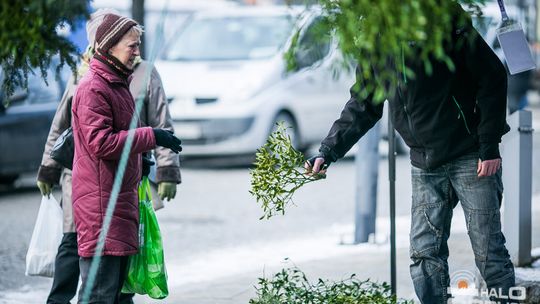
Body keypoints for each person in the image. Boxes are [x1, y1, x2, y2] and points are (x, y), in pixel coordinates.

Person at [305, 6, 515, 304]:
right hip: (424, 162)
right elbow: (364, 103)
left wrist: (489, 146)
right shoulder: (373, 39)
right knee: (423, 254)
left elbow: (493, 76)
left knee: (488, 251)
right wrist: (328, 151)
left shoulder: (443, 19)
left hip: (471, 156)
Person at [37, 9, 182, 304]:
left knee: (118, 296)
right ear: (109, 46)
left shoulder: (120, 81)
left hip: (119, 206)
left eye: (138, 45)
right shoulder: (93, 86)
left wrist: (151, 163)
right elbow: (100, 143)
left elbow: (128, 132)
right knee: (99, 295)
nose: (137, 51)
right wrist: (152, 137)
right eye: (131, 45)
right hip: (101, 208)